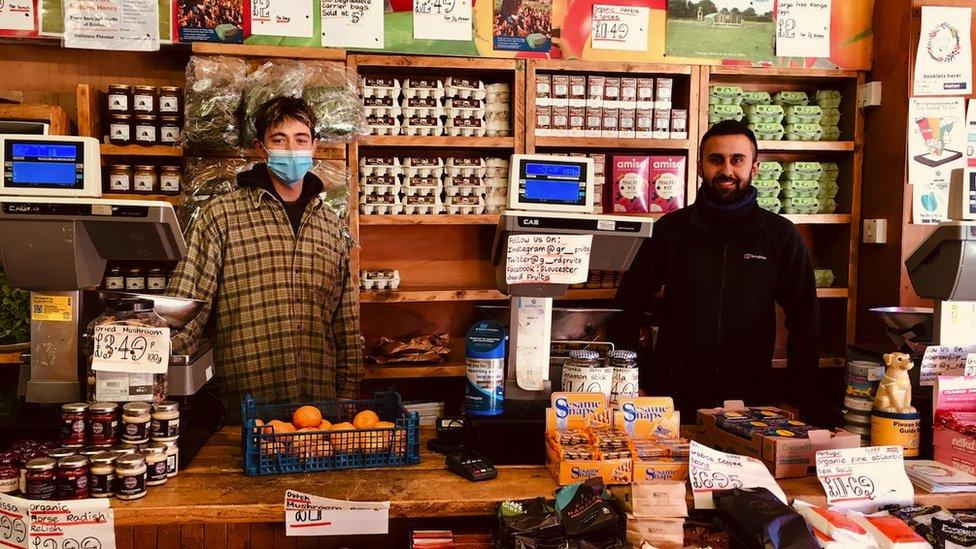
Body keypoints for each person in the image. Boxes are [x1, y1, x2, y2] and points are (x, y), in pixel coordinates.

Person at [168, 96, 364, 416]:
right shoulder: (220, 216)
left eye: (301, 139)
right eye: (279, 139)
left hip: (318, 410)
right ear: (262, 148)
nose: (291, 149)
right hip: (244, 407)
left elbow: (345, 319)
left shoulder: (330, 224)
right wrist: (147, 361)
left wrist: (346, 392)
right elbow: (187, 309)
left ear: (314, 147)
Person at [615, 120, 820, 419]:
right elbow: (628, 306)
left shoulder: (779, 235)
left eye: (737, 160)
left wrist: (797, 398)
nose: (727, 170)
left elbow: (805, 319)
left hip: (752, 400)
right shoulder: (670, 231)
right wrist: (637, 383)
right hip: (673, 398)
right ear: (700, 167)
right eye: (716, 160)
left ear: (754, 168)